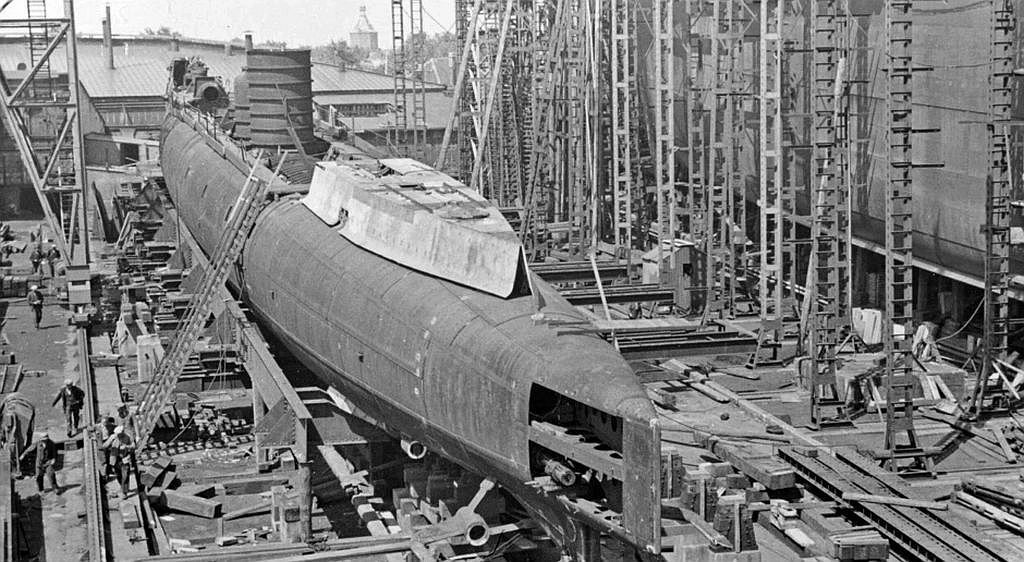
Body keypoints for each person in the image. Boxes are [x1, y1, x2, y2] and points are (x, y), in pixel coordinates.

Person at [102, 426, 135, 497]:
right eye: (117, 434)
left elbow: (133, 446)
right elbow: (104, 446)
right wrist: (110, 440)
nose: (118, 435)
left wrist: (127, 447)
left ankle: (124, 492)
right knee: (119, 475)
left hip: (125, 458)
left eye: (120, 434)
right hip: (115, 459)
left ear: (123, 432)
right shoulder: (113, 437)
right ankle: (122, 487)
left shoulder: (128, 437)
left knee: (125, 475)